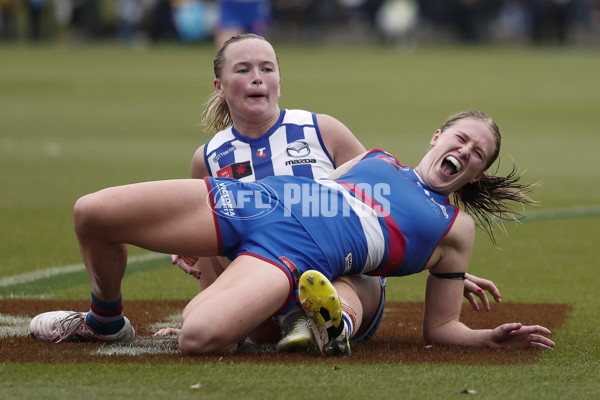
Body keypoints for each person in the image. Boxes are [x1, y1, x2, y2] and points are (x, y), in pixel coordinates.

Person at [29, 110, 555, 356]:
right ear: (438, 135)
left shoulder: (454, 227)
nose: (464, 151)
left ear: (477, 173)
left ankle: (325, 322)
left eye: (476, 154)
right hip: (260, 201)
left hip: (299, 251)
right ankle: (105, 321)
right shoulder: (374, 158)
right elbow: (319, 182)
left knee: (198, 336)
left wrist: (488, 335)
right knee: (91, 213)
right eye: (461, 138)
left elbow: (440, 329)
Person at [156, 33, 501, 352]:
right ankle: (259, 322)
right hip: (262, 274)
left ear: (279, 79)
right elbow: (212, 250)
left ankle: (333, 324)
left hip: (340, 266)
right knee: (226, 234)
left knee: (348, 276)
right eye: (243, 70)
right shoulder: (209, 156)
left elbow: (379, 211)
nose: (256, 78)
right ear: (220, 86)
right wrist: (204, 299)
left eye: (266, 68)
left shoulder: (321, 129)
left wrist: (444, 268)